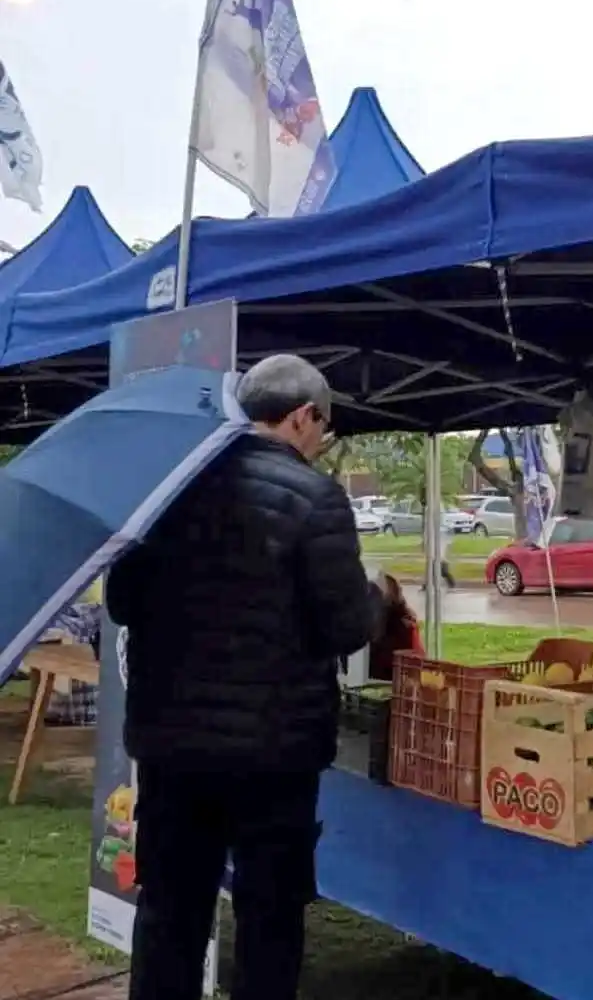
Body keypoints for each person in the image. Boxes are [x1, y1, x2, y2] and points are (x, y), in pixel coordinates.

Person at [106, 354, 383, 1000]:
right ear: (302, 416)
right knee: (269, 920)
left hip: (171, 751)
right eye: (325, 427)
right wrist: (376, 599)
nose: (321, 440)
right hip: (274, 760)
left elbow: (122, 602)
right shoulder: (318, 499)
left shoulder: (168, 490)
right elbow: (346, 629)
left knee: (170, 914)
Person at [369, 572, 424, 681]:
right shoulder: (404, 617)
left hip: (392, 678)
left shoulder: (397, 622)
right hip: (404, 675)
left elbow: (386, 657)